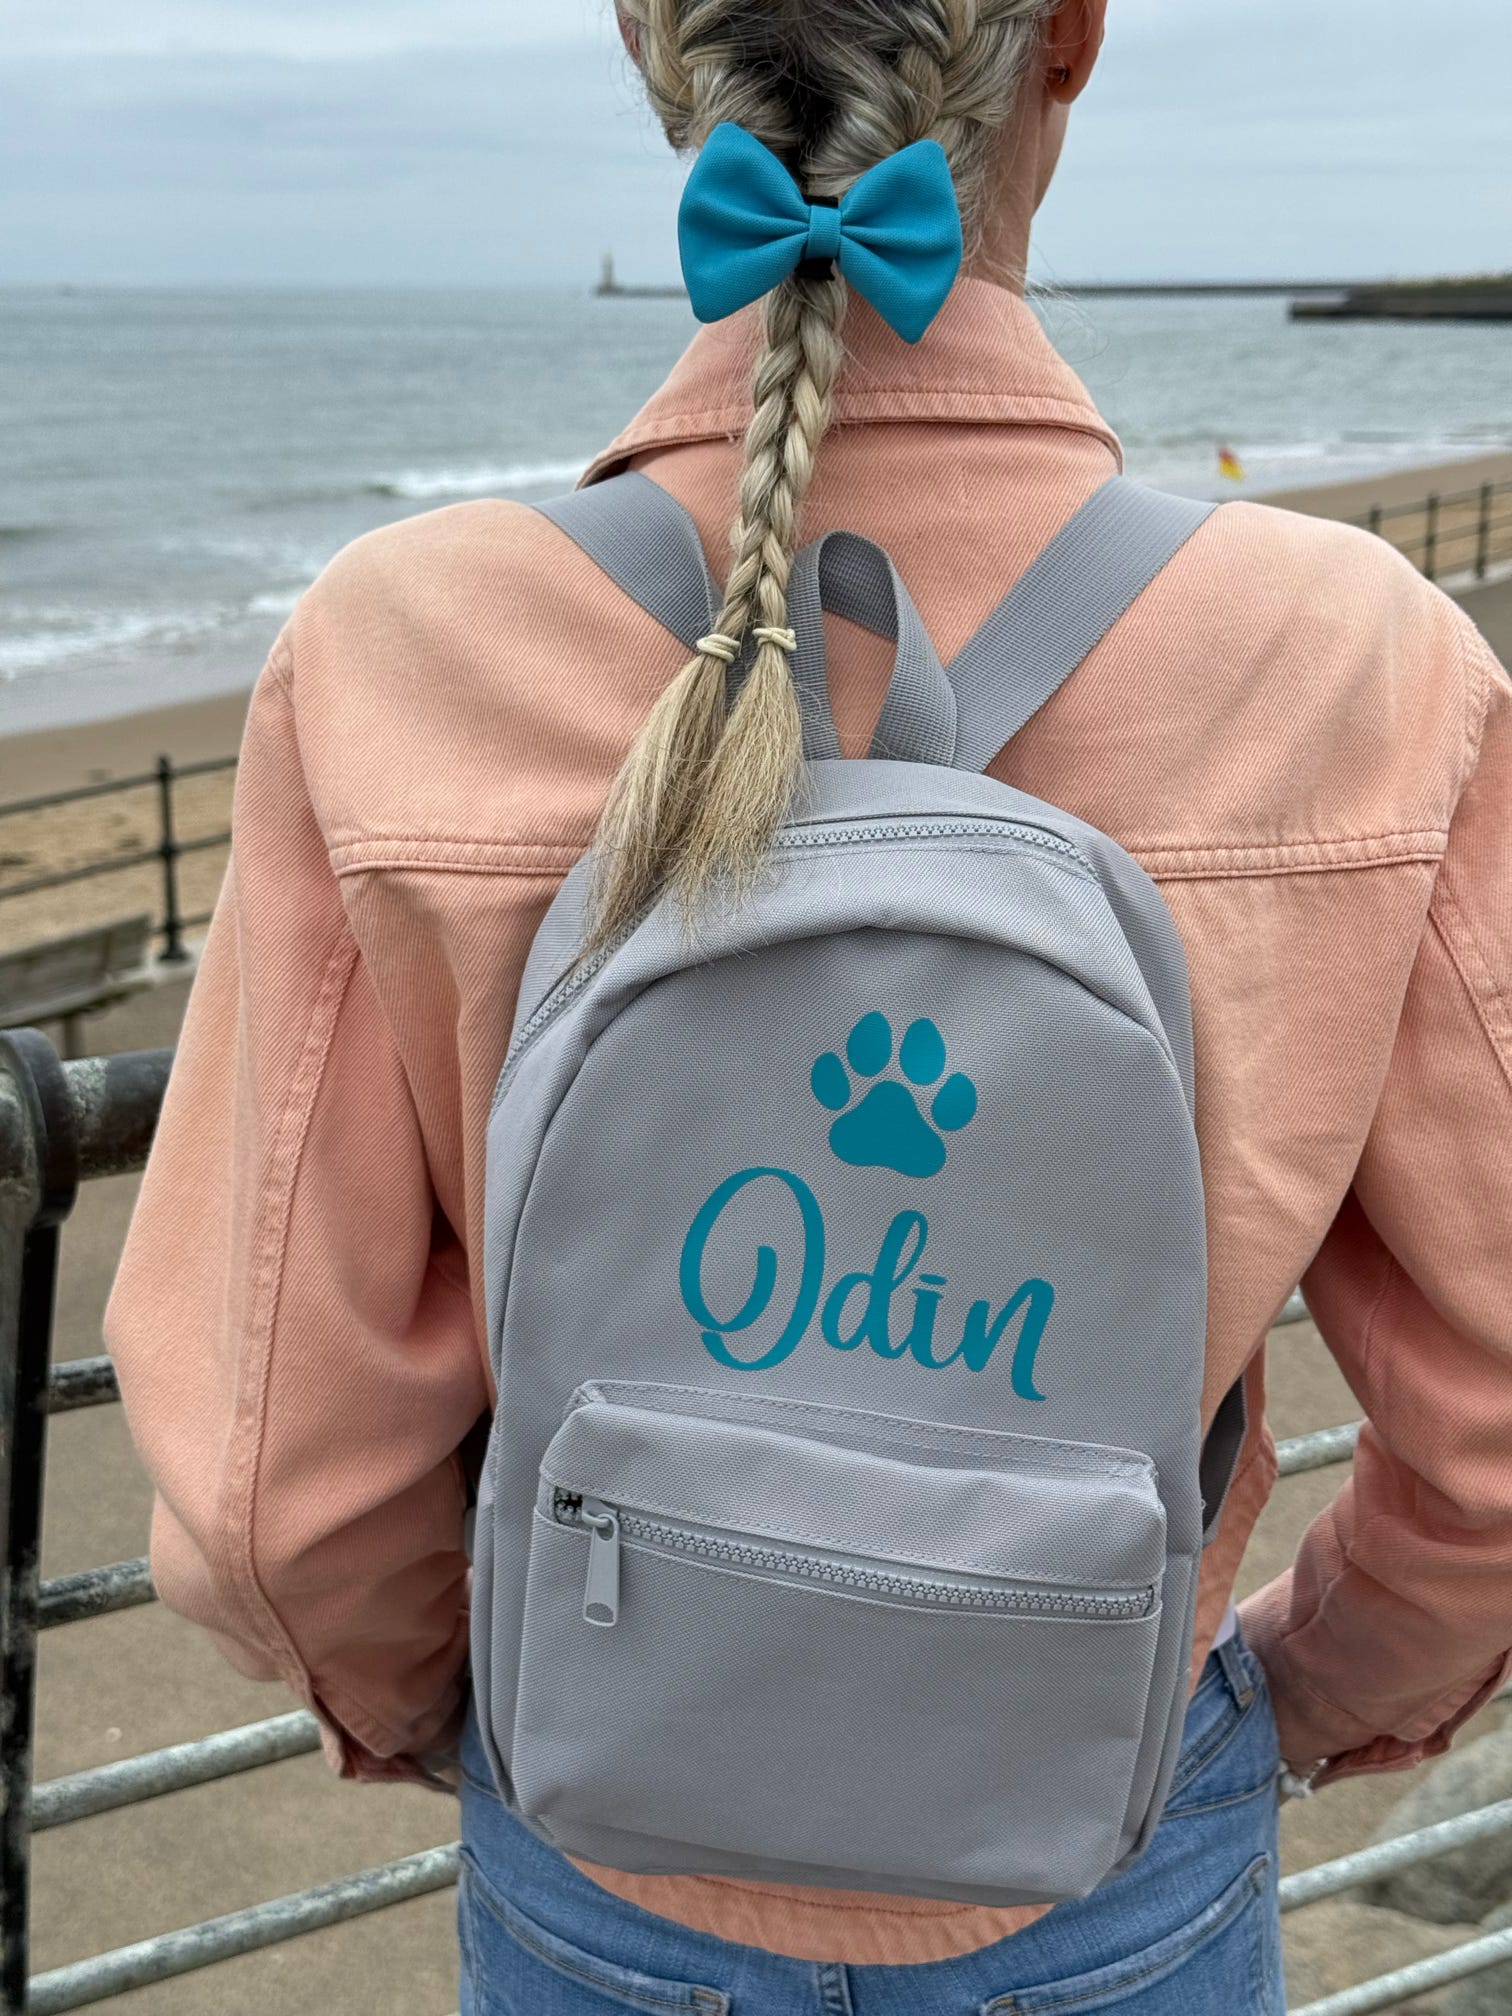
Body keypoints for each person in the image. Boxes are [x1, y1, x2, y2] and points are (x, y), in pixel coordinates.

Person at [108, 2, 1512, 2010]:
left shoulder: (395, 653)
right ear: (1074, 38)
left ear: (647, 44)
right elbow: (1494, 1429)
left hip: (608, 1852)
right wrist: (1293, 1693)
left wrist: (482, 1703)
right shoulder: (1359, 661)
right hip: (1108, 1844)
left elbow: (269, 1492)